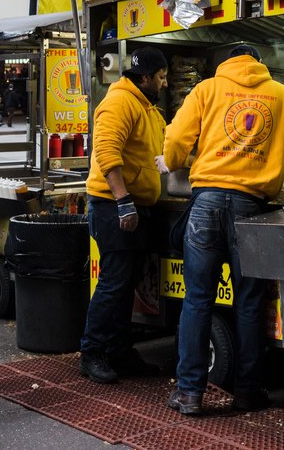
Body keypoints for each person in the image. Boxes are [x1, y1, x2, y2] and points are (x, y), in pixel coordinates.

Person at [163, 44, 284, 416]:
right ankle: (249, 392)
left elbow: (174, 145)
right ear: (259, 64)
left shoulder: (206, 90)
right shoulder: (283, 95)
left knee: (198, 299)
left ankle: (189, 393)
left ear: (226, 64)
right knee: (250, 302)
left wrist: (173, 162)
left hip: (205, 206)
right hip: (253, 210)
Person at [79, 47, 167, 385]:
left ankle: (118, 350)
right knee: (114, 282)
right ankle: (92, 352)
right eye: (160, 77)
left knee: (126, 283)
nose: (164, 82)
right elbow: (106, 152)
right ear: (145, 77)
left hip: (133, 204)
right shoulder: (119, 102)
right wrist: (123, 201)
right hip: (111, 204)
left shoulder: (145, 107)